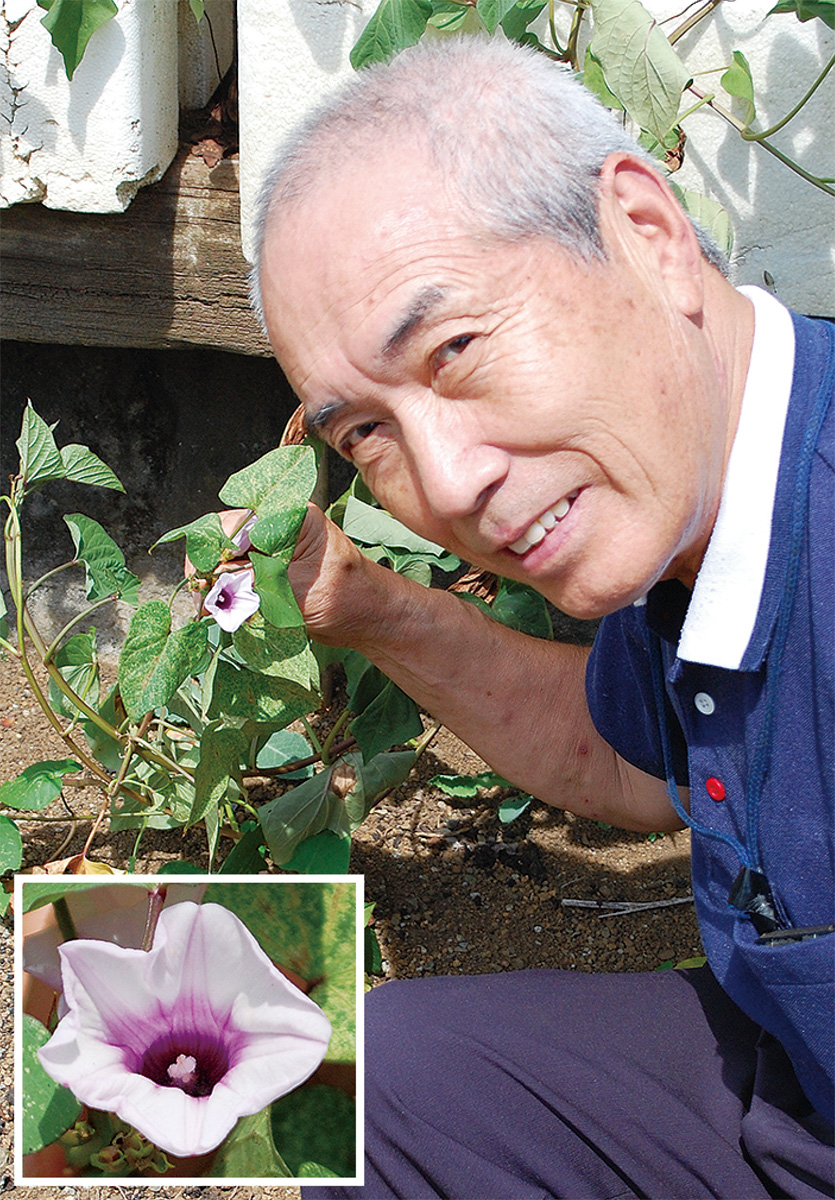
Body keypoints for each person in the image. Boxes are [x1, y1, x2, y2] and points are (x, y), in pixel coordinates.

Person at [248, 36, 834, 1198]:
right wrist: (364, 608)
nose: (446, 479)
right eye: (366, 431)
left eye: (454, 349)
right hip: (796, 1097)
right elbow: (618, 758)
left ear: (648, 235)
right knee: (355, 1085)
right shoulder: (692, 513)